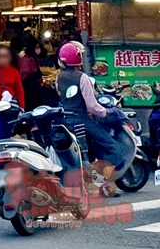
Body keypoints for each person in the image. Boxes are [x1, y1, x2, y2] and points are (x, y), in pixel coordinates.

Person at [56, 41, 124, 195]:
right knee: (111, 147)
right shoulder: (83, 78)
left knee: (91, 150)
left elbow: (61, 96)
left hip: (65, 121)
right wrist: (108, 112)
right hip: (82, 120)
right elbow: (92, 106)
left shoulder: (59, 77)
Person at [16, 35, 43, 111]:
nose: (38, 49)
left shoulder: (33, 58)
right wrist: (38, 74)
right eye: (36, 47)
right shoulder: (25, 60)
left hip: (35, 90)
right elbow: (25, 76)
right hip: (29, 91)